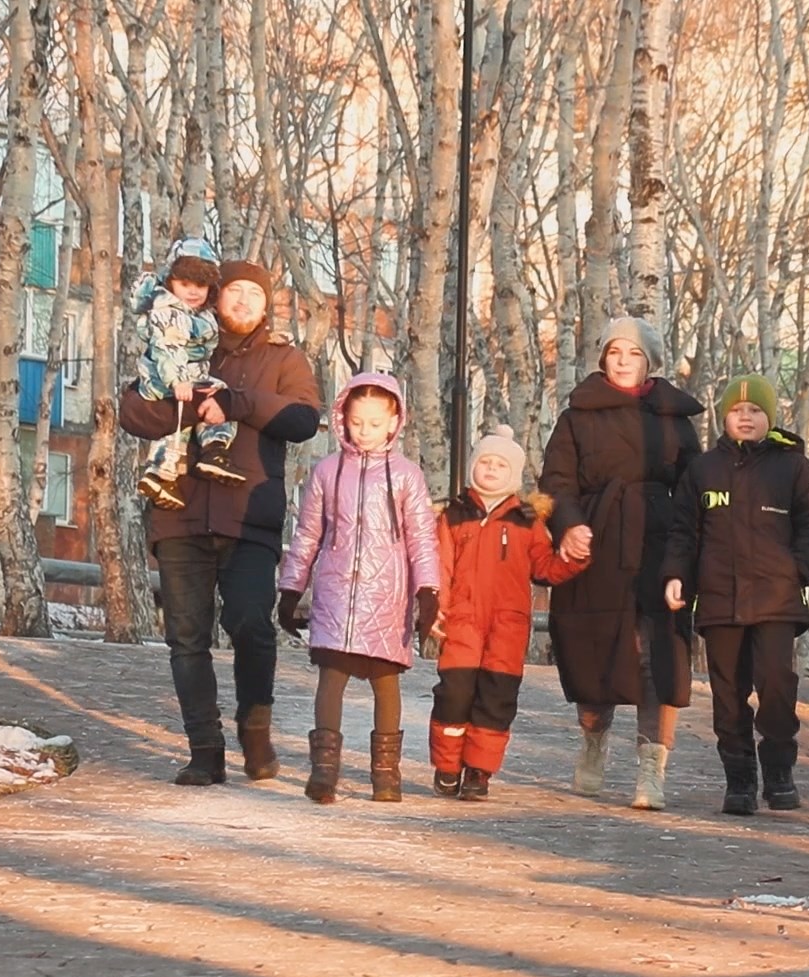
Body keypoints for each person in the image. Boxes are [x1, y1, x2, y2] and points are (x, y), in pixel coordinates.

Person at [117, 260, 323, 786]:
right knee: (186, 637)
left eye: (255, 293)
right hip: (178, 513)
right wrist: (192, 407)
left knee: (252, 623)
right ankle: (205, 750)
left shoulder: (284, 357)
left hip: (249, 517)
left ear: (266, 303)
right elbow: (133, 412)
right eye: (235, 290)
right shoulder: (182, 337)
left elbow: (303, 420)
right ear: (216, 295)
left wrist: (238, 403)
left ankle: (255, 728)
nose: (244, 301)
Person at [538, 316, 703, 811]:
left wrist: (688, 554)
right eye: (615, 352)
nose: (624, 361)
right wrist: (569, 526)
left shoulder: (674, 418)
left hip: (659, 543)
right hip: (598, 540)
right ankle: (593, 740)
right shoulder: (577, 415)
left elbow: (694, 491)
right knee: (594, 648)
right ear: (603, 358)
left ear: (649, 362)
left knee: (660, 655)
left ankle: (653, 765)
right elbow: (556, 481)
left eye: (634, 353)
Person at [663, 374, 809, 814]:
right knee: (727, 695)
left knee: (776, 686)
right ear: (724, 417)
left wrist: (797, 568)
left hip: (776, 600)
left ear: (768, 417)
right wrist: (677, 575)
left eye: (755, 410)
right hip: (719, 601)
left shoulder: (793, 467)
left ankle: (779, 771)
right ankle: (739, 779)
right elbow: (683, 532)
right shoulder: (703, 470)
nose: (746, 417)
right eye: (737, 411)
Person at [276, 372, 441, 804]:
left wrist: (428, 591)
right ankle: (324, 771)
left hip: (387, 596)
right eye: (356, 422)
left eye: (374, 423)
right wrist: (291, 587)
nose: (364, 431)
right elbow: (308, 534)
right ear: (343, 419)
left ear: (394, 423)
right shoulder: (327, 472)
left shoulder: (406, 476)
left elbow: (422, 539)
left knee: (386, 683)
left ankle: (386, 775)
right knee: (331, 678)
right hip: (336, 594)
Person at [427, 425, 589, 800]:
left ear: (513, 474)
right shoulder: (453, 516)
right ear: (473, 467)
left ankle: (479, 771)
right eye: (485, 462)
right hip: (463, 622)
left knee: (496, 698)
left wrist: (574, 558)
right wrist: (436, 609)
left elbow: (544, 568)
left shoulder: (527, 520)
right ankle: (448, 765)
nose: (491, 469)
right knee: (454, 694)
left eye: (501, 465)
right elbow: (441, 567)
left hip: (507, 627)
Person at [130, 238, 243, 509]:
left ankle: (166, 472)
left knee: (189, 417)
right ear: (170, 282)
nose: (193, 292)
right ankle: (207, 450)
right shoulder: (169, 311)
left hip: (184, 374)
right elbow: (167, 346)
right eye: (185, 284)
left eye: (200, 286)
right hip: (168, 376)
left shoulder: (197, 313)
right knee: (204, 403)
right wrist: (177, 380)